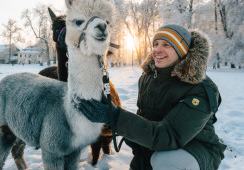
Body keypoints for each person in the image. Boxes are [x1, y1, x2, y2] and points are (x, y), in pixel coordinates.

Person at [78, 24, 226, 170]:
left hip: (195, 150)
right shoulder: (148, 77)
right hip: (157, 146)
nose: (157, 50)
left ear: (182, 50)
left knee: (165, 162)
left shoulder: (200, 89)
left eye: (166, 45)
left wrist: (114, 116)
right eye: (155, 44)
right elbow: (145, 118)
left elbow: (170, 135)